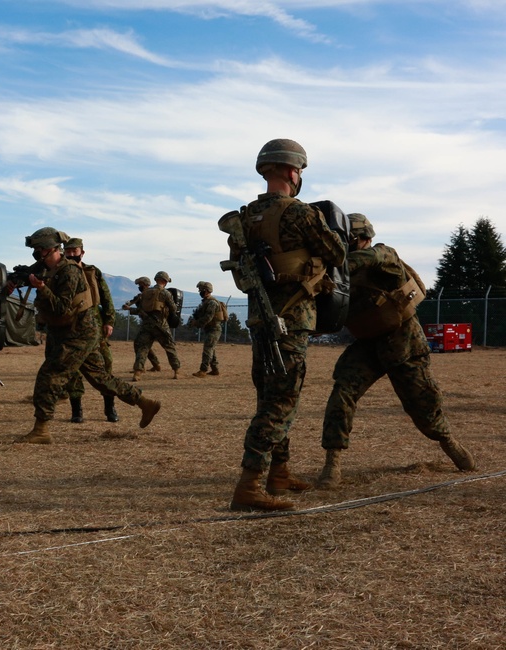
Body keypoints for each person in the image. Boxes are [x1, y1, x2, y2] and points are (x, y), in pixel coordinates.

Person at [227, 138, 347, 512]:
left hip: (261, 318)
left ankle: (279, 474)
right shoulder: (300, 213)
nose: (299, 177)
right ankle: (250, 485)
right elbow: (337, 253)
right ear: (290, 170)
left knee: (270, 395)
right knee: (281, 400)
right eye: (299, 169)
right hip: (291, 319)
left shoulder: (244, 218)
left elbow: (239, 276)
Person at [318, 213, 475, 487]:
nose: (345, 246)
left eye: (349, 241)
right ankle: (333, 461)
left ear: (365, 238)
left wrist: (335, 265)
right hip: (367, 344)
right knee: (342, 392)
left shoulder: (382, 256)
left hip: (403, 341)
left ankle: (448, 441)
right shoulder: (337, 270)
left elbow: (372, 259)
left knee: (424, 406)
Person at [15, 227, 161, 445]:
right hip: (75, 331)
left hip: (79, 333)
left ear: (50, 249)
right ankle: (145, 403)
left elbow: (62, 308)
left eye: (38, 248)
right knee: (101, 379)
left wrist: (42, 288)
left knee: (49, 376)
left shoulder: (69, 272)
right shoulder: (47, 266)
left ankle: (41, 430)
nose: (36, 253)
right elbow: (30, 273)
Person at [61, 237, 120, 423]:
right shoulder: (59, 273)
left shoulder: (92, 272)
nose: (71, 254)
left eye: (74, 251)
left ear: (82, 252)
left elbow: (106, 297)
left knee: (105, 365)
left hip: (95, 325)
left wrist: (109, 321)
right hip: (70, 326)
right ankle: (76, 410)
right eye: (68, 251)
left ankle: (110, 407)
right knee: (73, 369)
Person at [130, 271, 181, 381]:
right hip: (160, 324)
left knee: (142, 348)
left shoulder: (146, 293)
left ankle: (137, 373)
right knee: (169, 347)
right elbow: (173, 308)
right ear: (165, 281)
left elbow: (140, 309)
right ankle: (176, 371)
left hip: (147, 325)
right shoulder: (165, 293)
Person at [121, 277, 162, 372]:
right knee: (145, 345)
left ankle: (140, 367)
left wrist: (129, 309)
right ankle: (155, 364)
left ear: (146, 284)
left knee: (139, 344)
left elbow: (142, 311)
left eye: (141, 285)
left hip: (151, 323)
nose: (139, 287)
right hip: (148, 323)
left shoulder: (150, 296)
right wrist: (128, 305)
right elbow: (132, 301)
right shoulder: (141, 296)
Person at [187, 281, 224, 378]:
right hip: (210, 328)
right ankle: (215, 369)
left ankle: (203, 371)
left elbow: (208, 317)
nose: (200, 292)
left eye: (201, 290)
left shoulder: (212, 303)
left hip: (214, 329)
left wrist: (197, 323)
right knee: (211, 349)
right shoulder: (206, 302)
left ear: (207, 291)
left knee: (208, 349)